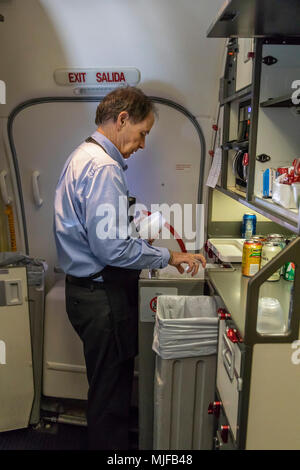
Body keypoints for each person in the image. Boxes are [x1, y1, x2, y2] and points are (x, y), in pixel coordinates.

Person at [54, 86, 206, 450]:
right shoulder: (104, 167)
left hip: (84, 293)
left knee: (105, 388)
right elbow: (112, 248)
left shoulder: (81, 155)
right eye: (143, 134)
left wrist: (135, 241)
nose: (142, 145)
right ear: (122, 119)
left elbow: (103, 234)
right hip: (102, 297)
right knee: (111, 397)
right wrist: (169, 257)